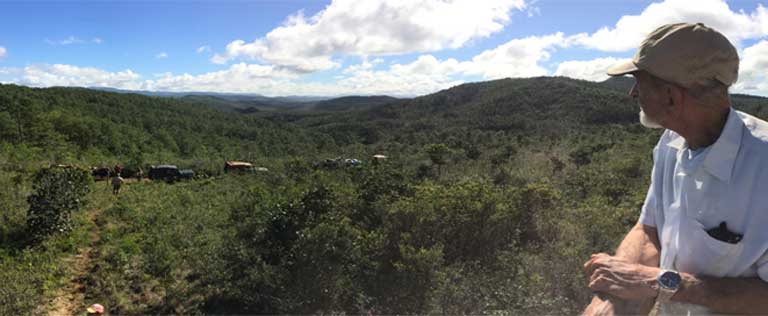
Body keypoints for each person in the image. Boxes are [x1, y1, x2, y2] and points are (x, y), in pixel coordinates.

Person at [582, 22, 768, 315]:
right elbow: (649, 229)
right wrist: (612, 299)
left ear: (671, 96)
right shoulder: (670, 143)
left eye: (639, 82)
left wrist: (661, 283)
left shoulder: (763, 167)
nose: (632, 93)